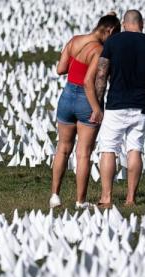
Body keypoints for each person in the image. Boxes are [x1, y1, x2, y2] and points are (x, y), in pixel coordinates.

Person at [86, 9, 145, 208]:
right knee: (135, 150)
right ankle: (131, 198)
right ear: (142, 23)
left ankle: (106, 197)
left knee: (108, 150)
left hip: (116, 106)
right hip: (140, 108)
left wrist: (98, 105)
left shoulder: (113, 42)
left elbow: (101, 76)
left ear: (124, 23)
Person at [49, 13, 121, 209]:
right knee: (83, 154)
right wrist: (97, 109)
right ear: (110, 31)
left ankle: (55, 195)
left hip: (66, 97)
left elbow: (60, 69)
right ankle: (80, 201)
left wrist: (76, 63)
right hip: (85, 100)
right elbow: (89, 83)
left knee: (62, 149)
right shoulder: (99, 50)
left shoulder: (74, 40)